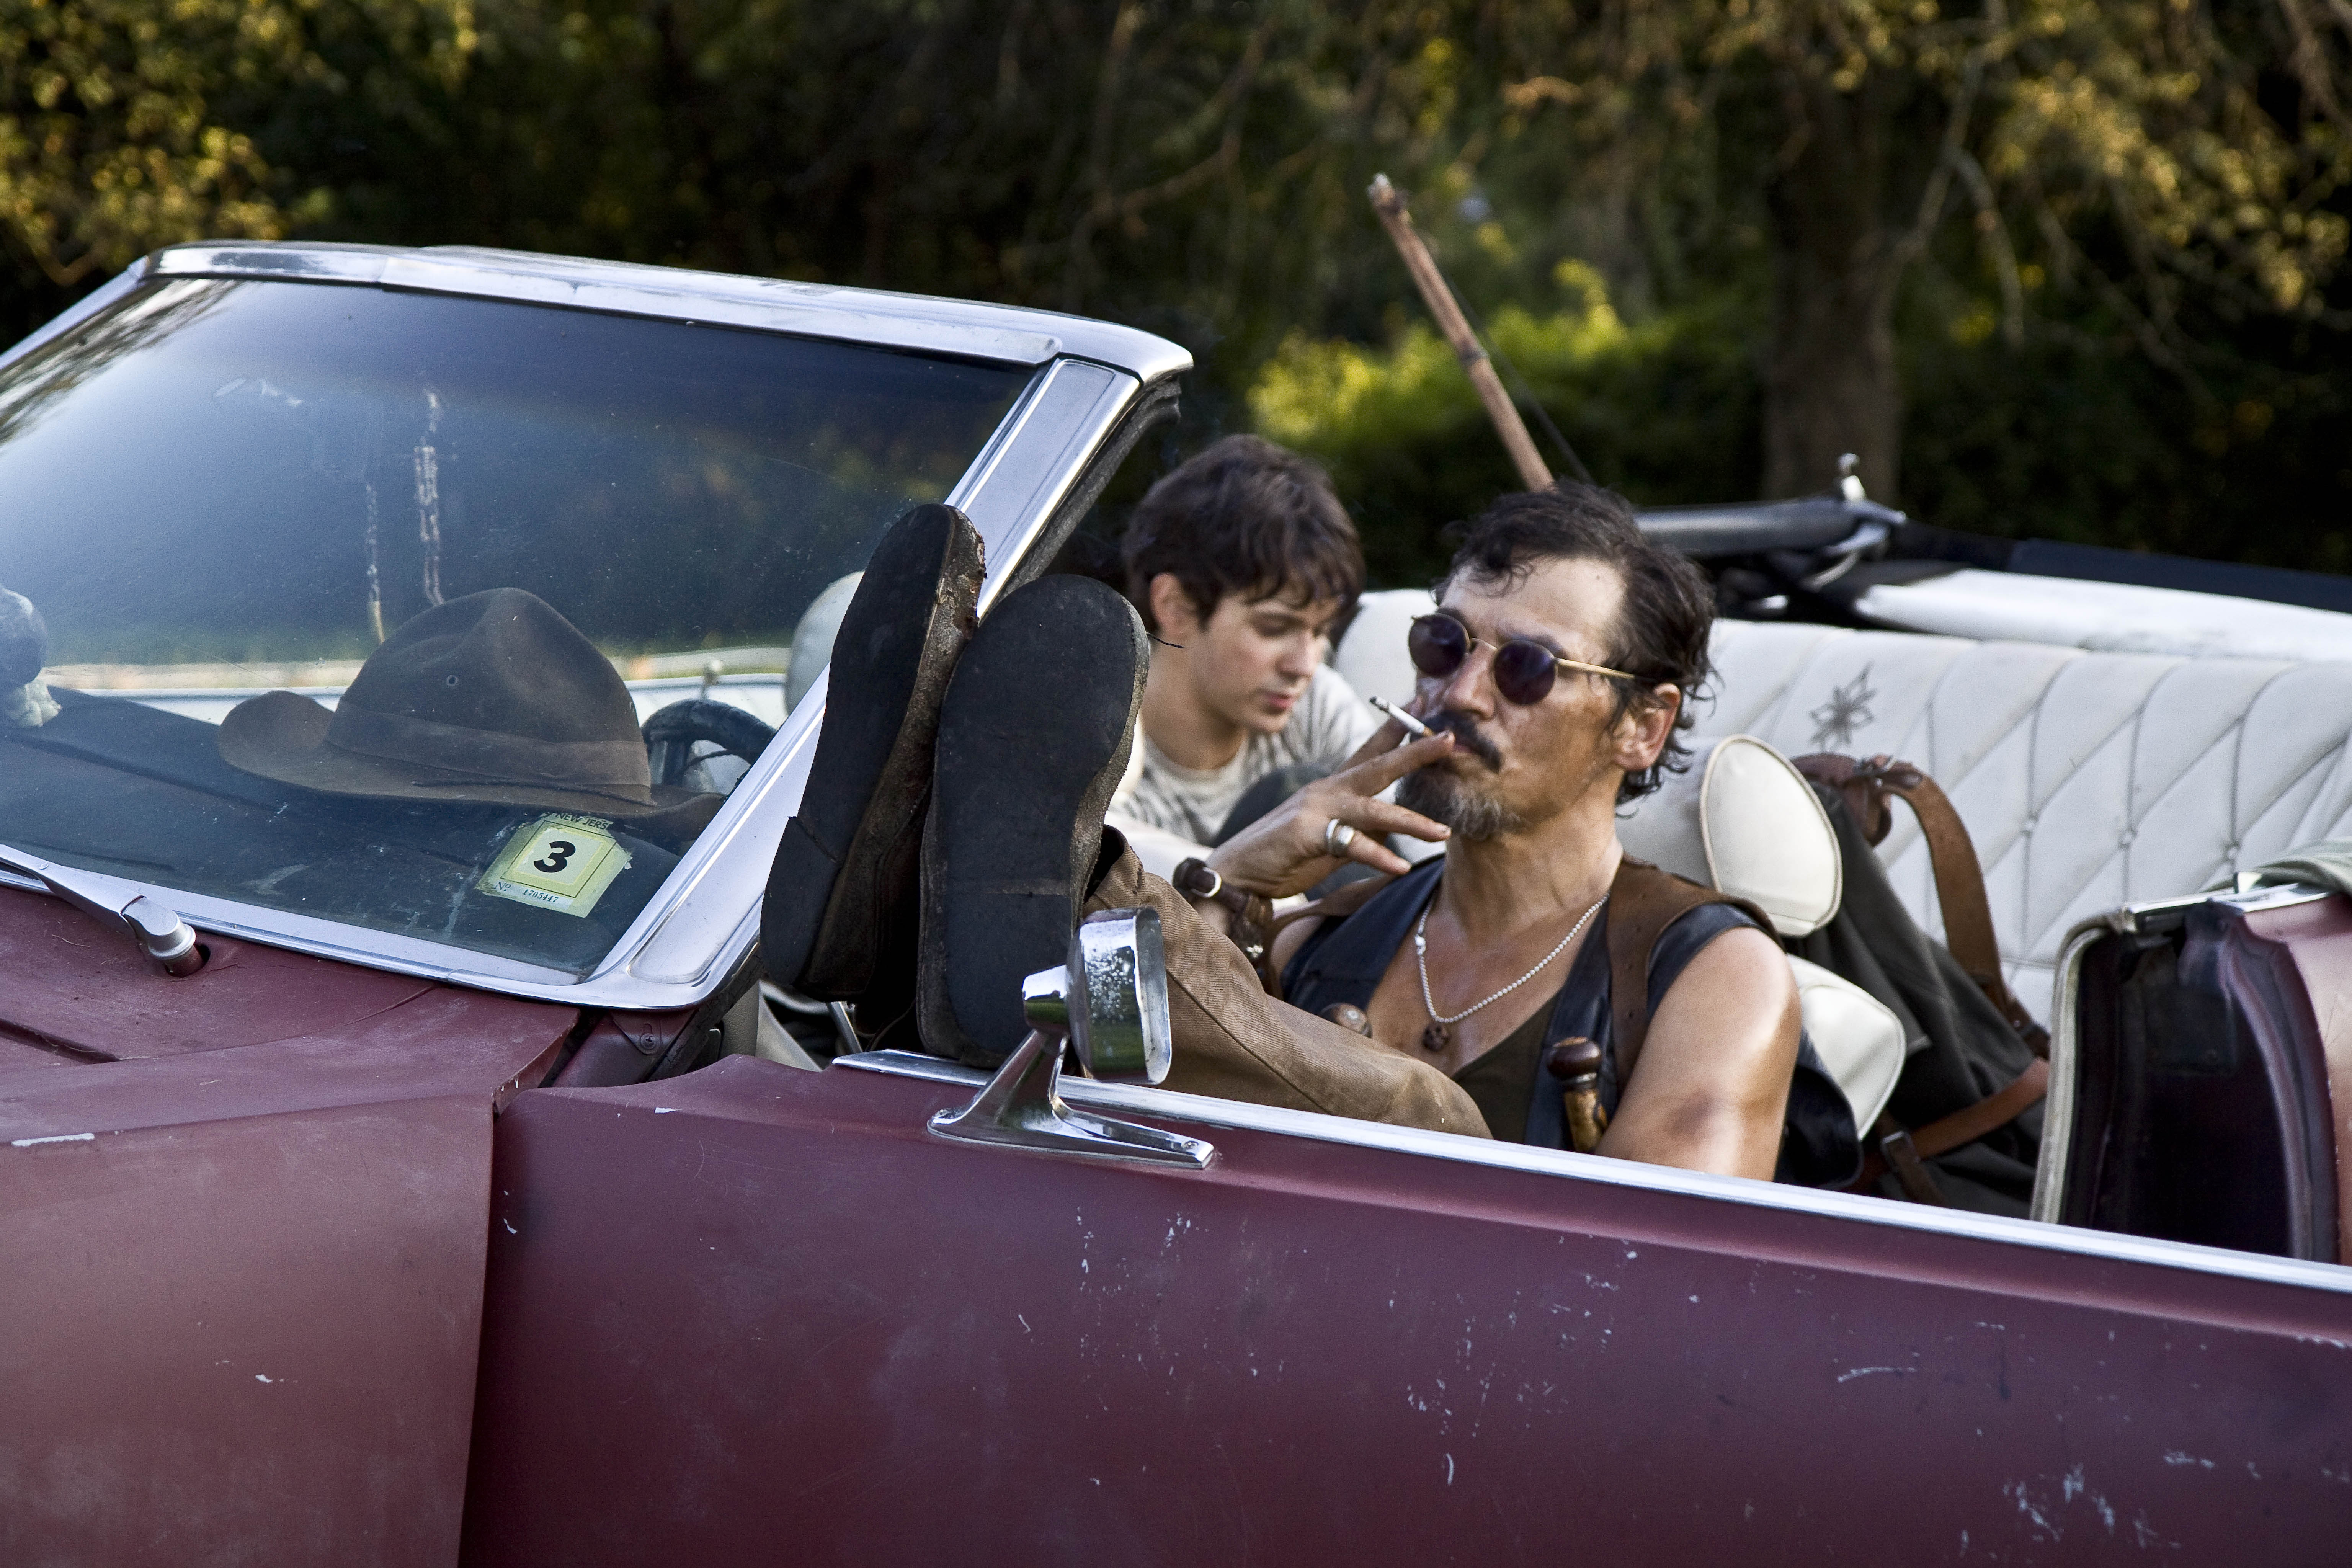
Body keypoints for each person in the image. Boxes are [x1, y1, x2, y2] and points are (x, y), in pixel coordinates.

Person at [1196, 485, 1855, 1182]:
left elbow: (1646, 1249)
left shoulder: (1715, 981)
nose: (1459, 693)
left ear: (1642, 727)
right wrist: (1225, 882)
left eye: (1527, 667)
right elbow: (1145, 1124)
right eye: (1444, 644)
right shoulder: (1316, 943)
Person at [1109, 435, 1377, 855]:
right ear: (1176, 607)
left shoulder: (1314, 710)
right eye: (1274, 628)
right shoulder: (1104, 760)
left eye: (1321, 631)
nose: (1304, 665)